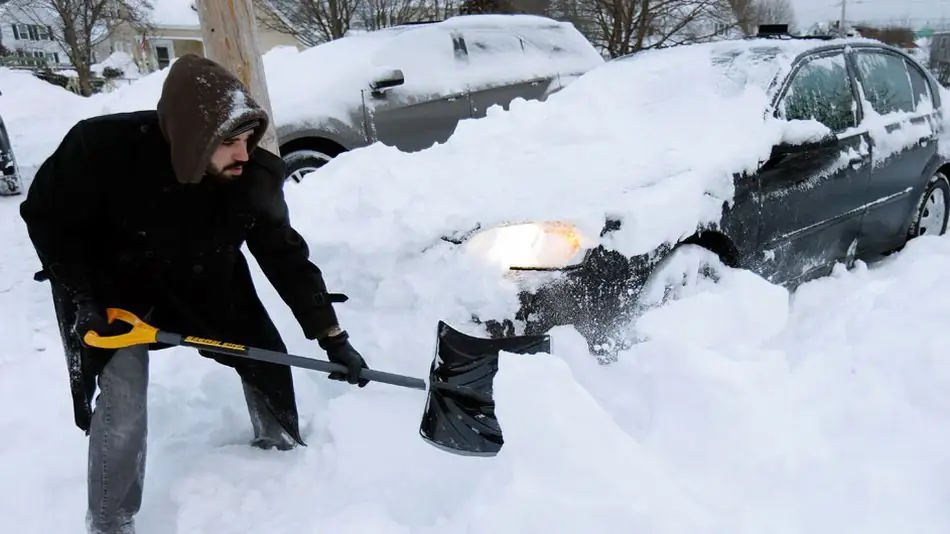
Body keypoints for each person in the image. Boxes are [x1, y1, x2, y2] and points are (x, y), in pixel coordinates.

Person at [19, 53, 371, 534]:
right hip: (111, 289)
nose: (243, 154)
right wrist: (83, 299)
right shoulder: (99, 149)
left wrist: (331, 335)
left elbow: (285, 256)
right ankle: (110, 521)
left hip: (205, 276)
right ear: (191, 137)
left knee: (264, 355)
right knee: (122, 399)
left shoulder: (250, 177)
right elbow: (45, 216)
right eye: (229, 142)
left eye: (247, 140)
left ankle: (281, 460)